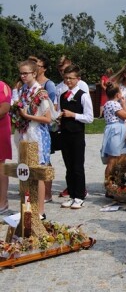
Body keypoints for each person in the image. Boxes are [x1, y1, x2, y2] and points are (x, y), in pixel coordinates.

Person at [15, 60, 53, 219]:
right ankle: (29, 206)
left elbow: (48, 119)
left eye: (26, 73)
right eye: (21, 73)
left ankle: (41, 211)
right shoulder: (23, 90)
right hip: (25, 133)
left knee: (38, 172)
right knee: (26, 170)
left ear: (34, 73)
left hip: (38, 134)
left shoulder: (41, 92)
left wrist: (26, 116)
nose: (23, 76)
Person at [59, 64, 94, 209]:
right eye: (66, 78)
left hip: (77, 134)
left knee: (78, 166)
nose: (68, 81)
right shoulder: (62, 96)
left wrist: (73, 115)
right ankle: (72, 193)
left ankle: (80, 195)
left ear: (78, 79)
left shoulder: (83, 96)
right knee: (68, 166)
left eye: (71, 78)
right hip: (65, 134)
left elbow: (89, 117)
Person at [28, 54, 56, 202]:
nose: (34, 68)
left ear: (43, 68)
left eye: (37, 65)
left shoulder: (48, 85)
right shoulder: (27, 86)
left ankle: (48, 192)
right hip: (29, 128)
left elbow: (53, 106)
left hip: (44, 127)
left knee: (45, 160)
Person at [101, 82, 126, 179]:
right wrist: (124, 104)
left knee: (122, 157)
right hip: (116, 130)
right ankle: (109, 184)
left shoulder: (109, 103)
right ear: (118, 95)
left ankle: (118, 181)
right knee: (113, 158)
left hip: (119, 129)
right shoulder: (114, 104)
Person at [0, 80, 12, 214]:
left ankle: (3, 201)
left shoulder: (2, 86)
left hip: (0, 128)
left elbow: (4, 108)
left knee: (1, 164)